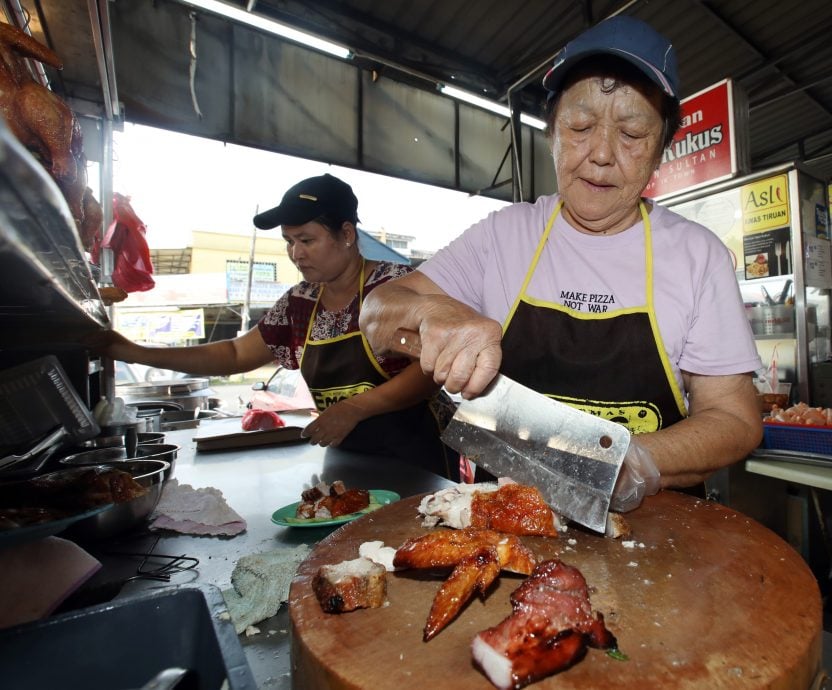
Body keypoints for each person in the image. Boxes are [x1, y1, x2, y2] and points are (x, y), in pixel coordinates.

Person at [359, 16, 764, 511]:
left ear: (660, 153)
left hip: (654, 532)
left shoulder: (698, 256)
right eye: (580, 126)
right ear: (550, 132)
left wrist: (634, 461)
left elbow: (736, 419)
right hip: (506, 524)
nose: (600, 154)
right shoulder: (504, 236)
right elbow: (378, 309)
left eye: (633, 134)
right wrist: (430, 315)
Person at [91, 173, 455, 478]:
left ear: (346, 234)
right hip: (348, 459)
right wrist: (136, 353)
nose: (296, 253)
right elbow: (234, 353)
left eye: (307, 240)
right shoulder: (300, 302)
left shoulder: (395, 286)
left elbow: (428, 369)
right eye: (289, 242)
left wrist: (354, 408)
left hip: (418, 457)